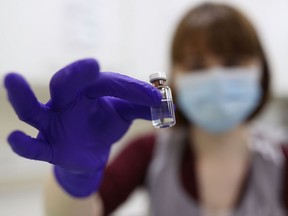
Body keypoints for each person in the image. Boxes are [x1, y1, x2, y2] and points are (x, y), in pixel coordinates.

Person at [4, 2, 288, 216]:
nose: (216, 78)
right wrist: (74, 179)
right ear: (175, 76)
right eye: (197, 66)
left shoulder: (283, 159)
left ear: (260, 70)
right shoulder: (149, 152)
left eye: (233, 63)